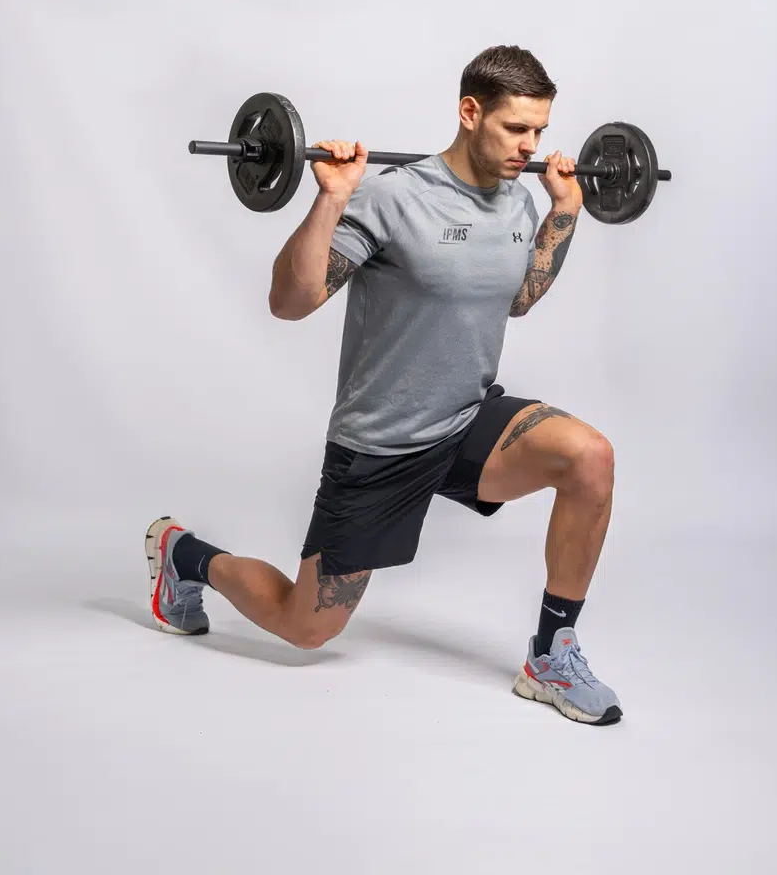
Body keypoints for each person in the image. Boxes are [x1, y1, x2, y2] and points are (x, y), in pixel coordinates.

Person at [146, 45, 621, 725]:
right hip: (383, 445)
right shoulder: (393, 199)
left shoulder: (519, 201)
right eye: (518, 128)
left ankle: (550, 656)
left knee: (589, 458)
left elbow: (514, 299)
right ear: (470, 112)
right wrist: (332, 201)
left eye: (540, 131)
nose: (532, 146)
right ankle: (183, 554)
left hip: (465, 421)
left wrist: (564, 213)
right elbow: (291, 299)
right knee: (306, 627)